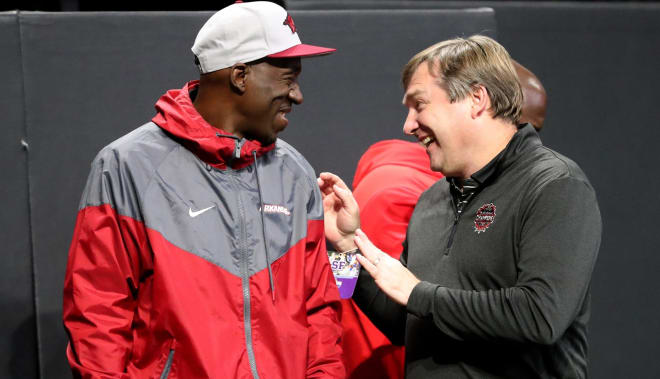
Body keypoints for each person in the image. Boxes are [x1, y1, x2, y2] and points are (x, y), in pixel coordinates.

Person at [63, 2, 344, 378]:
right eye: (288, 79)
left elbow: (319, 310)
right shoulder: (127, 166)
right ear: (240, 75)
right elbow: (97, 314)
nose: (297, 96)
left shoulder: (294, 173)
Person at [320, 35, 601, 378]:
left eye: (419, 105)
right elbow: (401, 326)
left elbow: (541, 316)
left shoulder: (555, 185)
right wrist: (344, 249)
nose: (407, 125)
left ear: (476, 99)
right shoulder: (432, 199)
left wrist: (419, 294)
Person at [340, 60, 549, 379]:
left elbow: (351, 287)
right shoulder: (408, 195)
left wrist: (342, 252)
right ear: (485, 113)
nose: (528, 148)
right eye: (522, 131)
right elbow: (401, 315)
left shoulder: (425, 187)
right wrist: (343, 252)